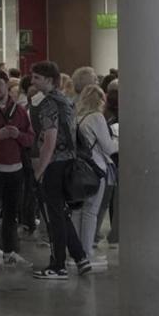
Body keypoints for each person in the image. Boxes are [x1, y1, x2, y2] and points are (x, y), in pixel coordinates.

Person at [28, 60, 93, 279]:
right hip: (69, 162)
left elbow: (50, 140)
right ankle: (80, 256)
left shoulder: (47, 104)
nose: (33, 81)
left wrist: (40, 170)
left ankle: (58, 266)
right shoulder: (65, 100)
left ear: (48, 79)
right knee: (61, 213)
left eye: (37, 77)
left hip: (55, 164)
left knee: (53, 216)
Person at [0, 70, 34, 267]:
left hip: (15, 168)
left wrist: (17, 135)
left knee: (12, 213)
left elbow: (29, 138)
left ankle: (10, 252)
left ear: (6, 86)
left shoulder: (19, 111)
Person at [72, 83, 116, 261]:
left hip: (77, 169)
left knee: (77, 212)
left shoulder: (77, 117)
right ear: (99, 100)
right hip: (95, 169)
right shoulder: (97, 117)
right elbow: (108, 147)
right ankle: (87, 253)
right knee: (91, 212)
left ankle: (74, 253)